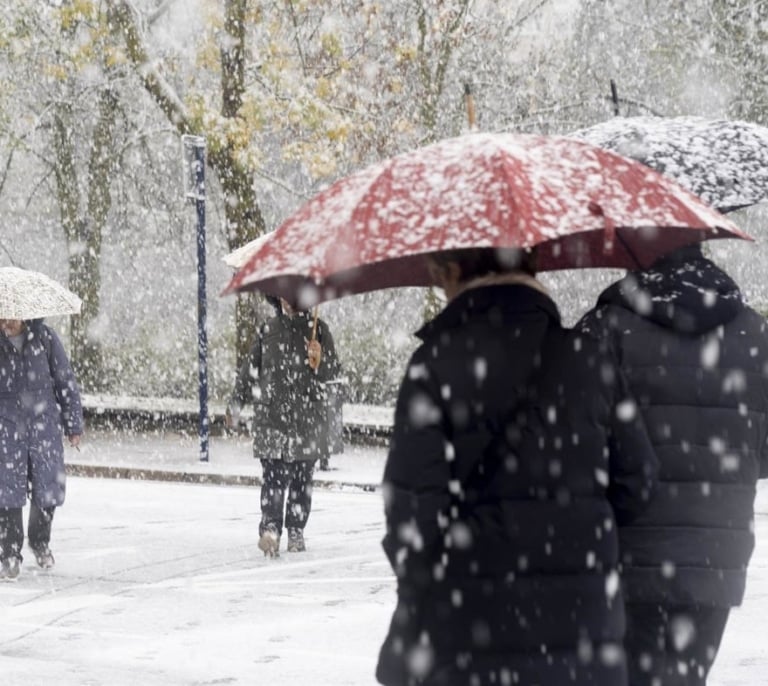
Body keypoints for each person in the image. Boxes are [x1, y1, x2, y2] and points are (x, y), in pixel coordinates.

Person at [376, 248, 658, 686]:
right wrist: (578, 532)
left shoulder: (434, 366)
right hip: (584, 637)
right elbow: (638, 481)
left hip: (469, 640)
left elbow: (412, 518)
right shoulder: (591, 359)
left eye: (439, 274)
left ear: (455, 271)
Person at [578, 243, 768, 686]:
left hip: (627, 558)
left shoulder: (606, 328)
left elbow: (575, 444)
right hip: (715, 561)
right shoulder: (754, 335)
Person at [227, 296, 341, 557]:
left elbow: (334, 376)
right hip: (272, 419)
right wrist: (235, 405)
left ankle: (296, 529)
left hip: (307, 421)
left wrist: (319, 361)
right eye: (285, 296)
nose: (290, 301)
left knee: (302, 479)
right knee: (273, 479)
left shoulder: (319, 331)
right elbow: (249, 371)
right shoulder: (268, 330)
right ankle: (270, 529)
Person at [0, 317, 83, 581]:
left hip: (42, 426)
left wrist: (73, 425)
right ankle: (9, 554)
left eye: (11, 315)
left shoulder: (45, 339)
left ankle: (39, 541)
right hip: (7, 428)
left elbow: (65, 381)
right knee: (7, 493)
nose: (5, 321)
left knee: (48, 489)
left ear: (25, 314)